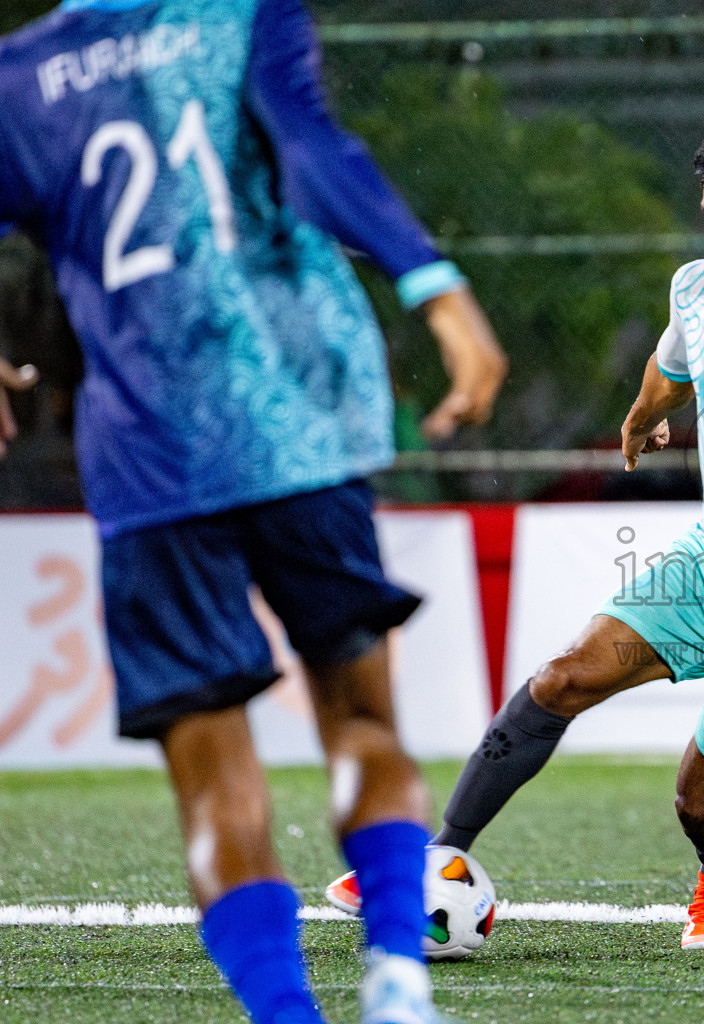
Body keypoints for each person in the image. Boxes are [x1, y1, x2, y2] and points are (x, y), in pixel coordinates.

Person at [0, 1, 508, 1022]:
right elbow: (311, 143)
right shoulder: (240, 12)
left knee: (211, 776)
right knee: (362, 717)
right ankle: (398, 985)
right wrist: (437, 288)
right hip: (296, 427)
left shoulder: (19, 76)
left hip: (151, 462)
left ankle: (287, 1015)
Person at [328, 120, 704, 950]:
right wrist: (641, 420)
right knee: (563, 678)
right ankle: (431, 860)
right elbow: (673, 365)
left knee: (699, 801)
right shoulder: (698, 289)